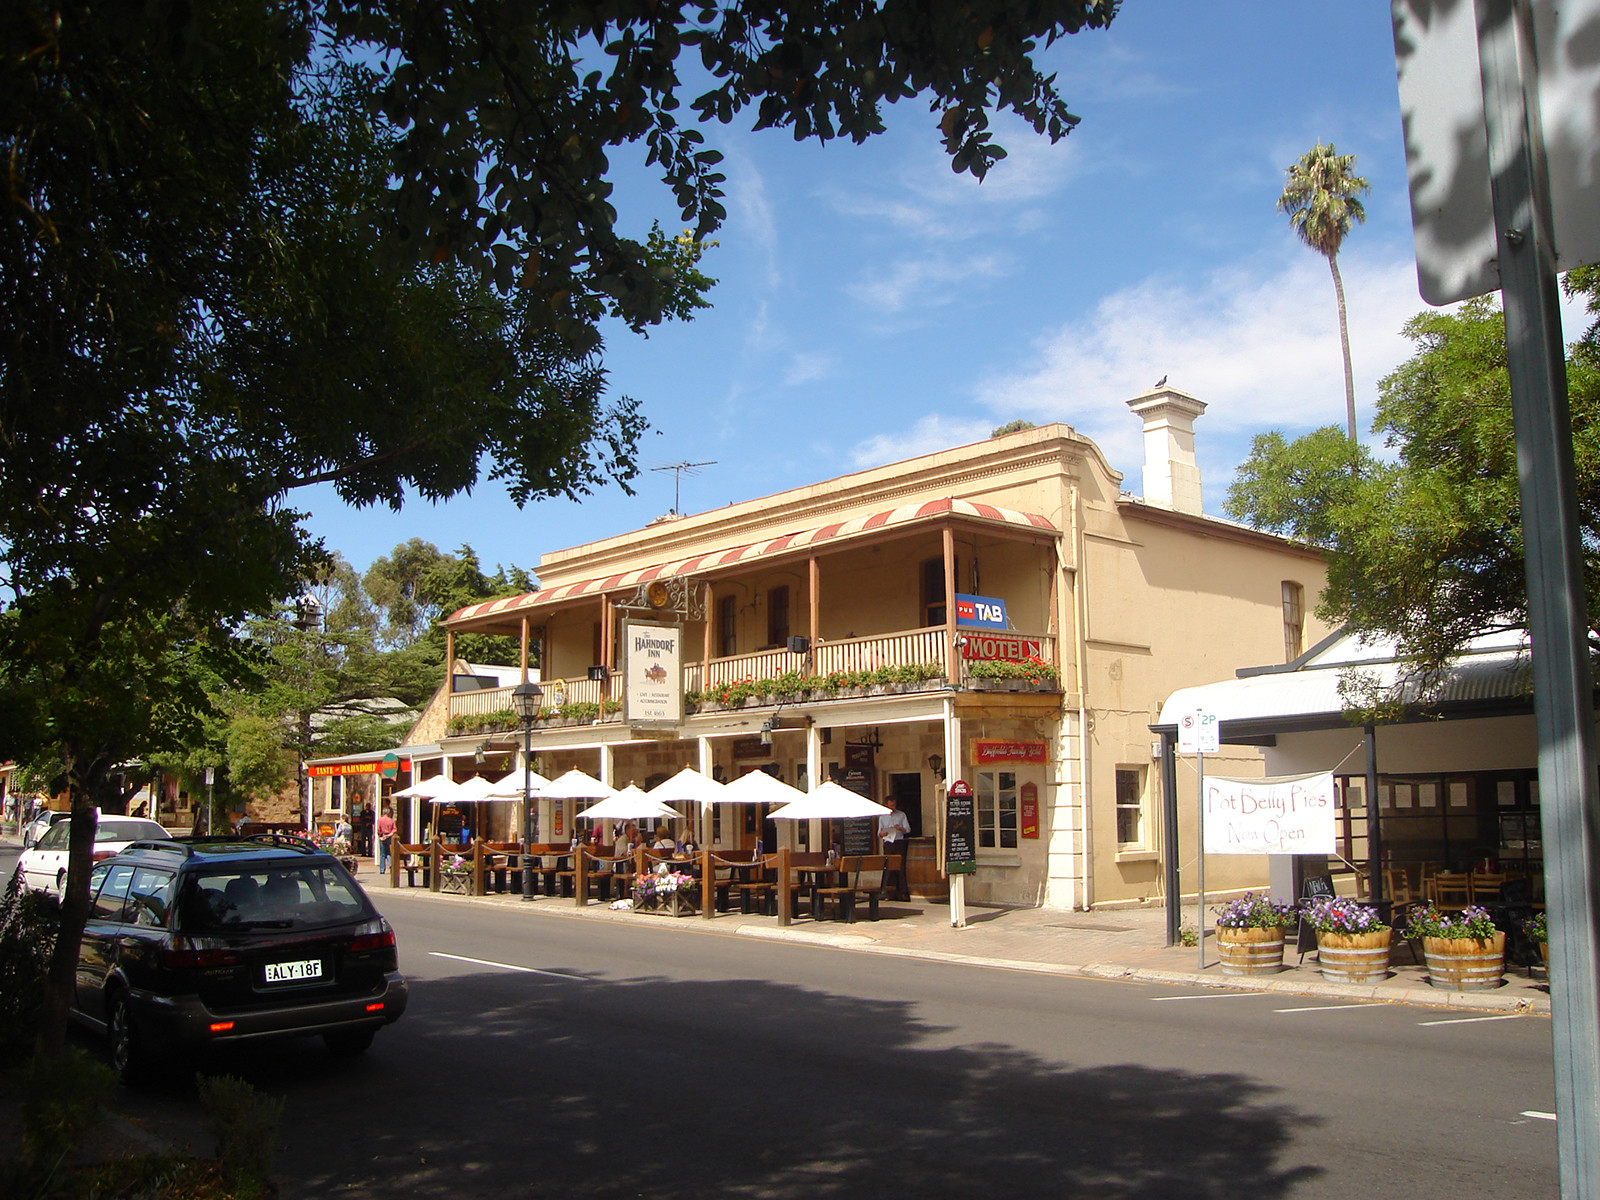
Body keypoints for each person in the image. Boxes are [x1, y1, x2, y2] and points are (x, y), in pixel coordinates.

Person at [878, 796, 912, 902]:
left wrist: (900, 828)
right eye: (891, 805)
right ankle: (888, 892)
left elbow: (908, 829)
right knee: (889, 867)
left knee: (900, 867)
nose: (893, 807)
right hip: (888, 842)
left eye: (894, 805)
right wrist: (883, 833)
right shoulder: (882, 817)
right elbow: (879, 833)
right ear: (886, 805)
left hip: (899, 842)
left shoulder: (901, 815)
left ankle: (903, 892)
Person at [375, 805, 397, 873]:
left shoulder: (380, 820)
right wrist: (388, 835)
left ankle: (382, 869)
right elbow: (394, 830)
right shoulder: (391, 821)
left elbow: (378, 830)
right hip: (389, 836)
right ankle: (390, 865)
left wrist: (380, 836)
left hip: (382, 836)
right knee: (388, 852)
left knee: (382, 854)